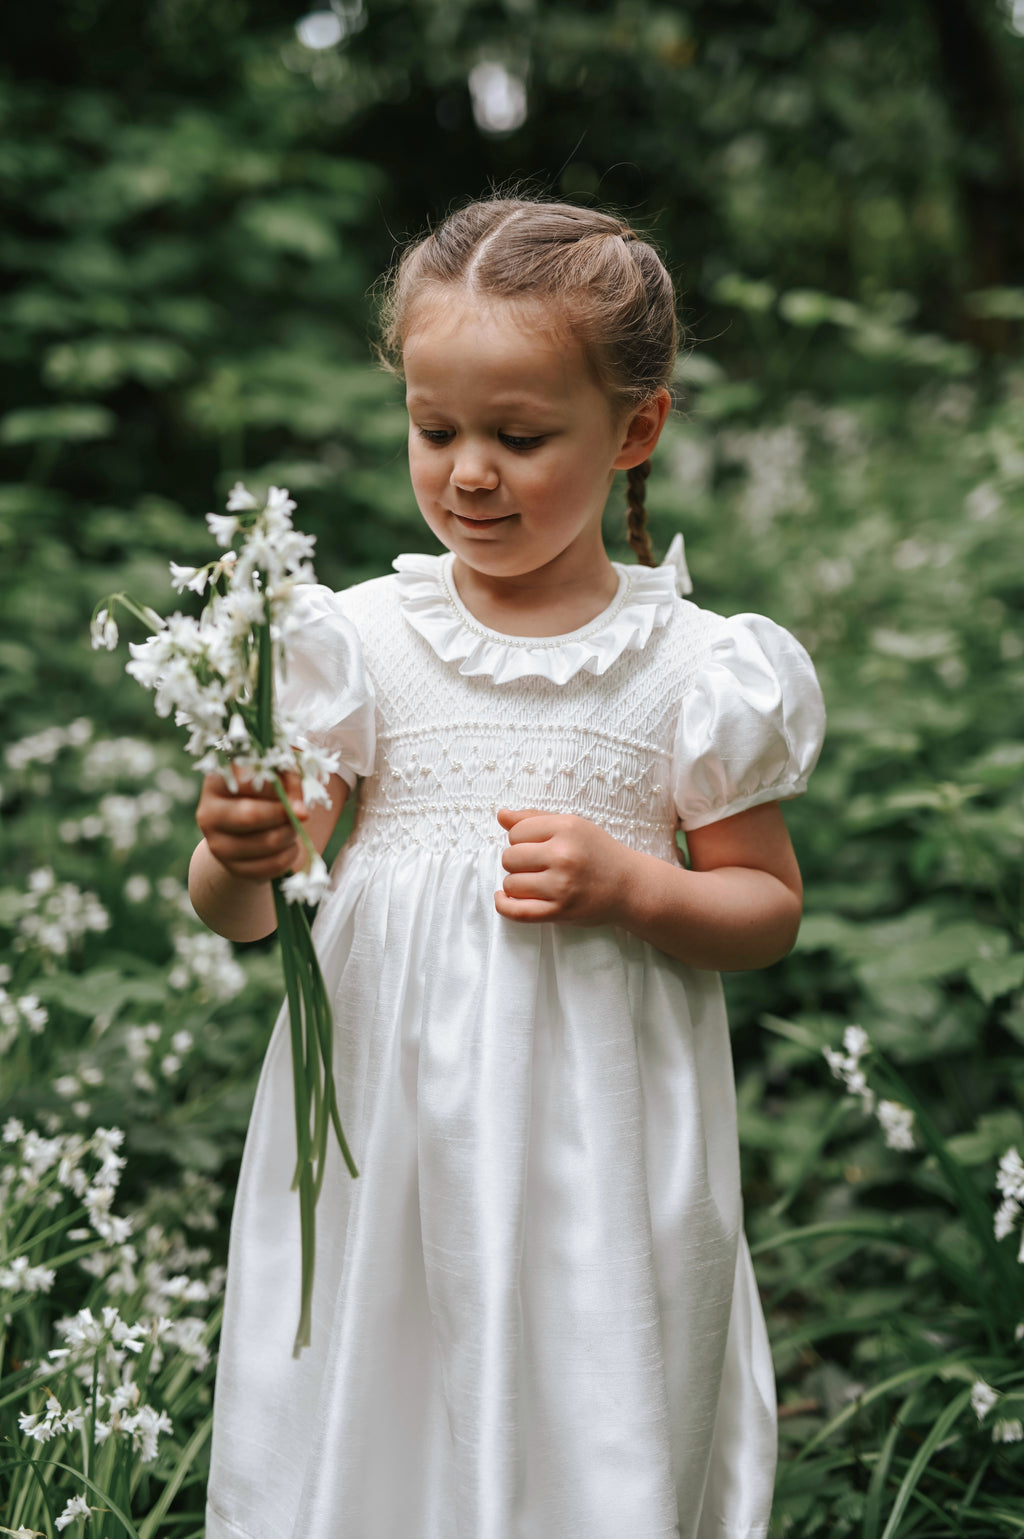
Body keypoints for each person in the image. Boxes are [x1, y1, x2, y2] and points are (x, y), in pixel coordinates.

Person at [191, 197, 825, 1539]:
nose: (470, 471)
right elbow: (252, 909)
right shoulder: (356, 641)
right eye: (437, 430)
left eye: (520, 437)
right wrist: (234, 852)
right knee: (385, 1391)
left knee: (596, 1398)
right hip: (386, 1131)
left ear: (633, 429)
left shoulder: (699, 671)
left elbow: (764, 908)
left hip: (601, 1134)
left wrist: (634, 886)